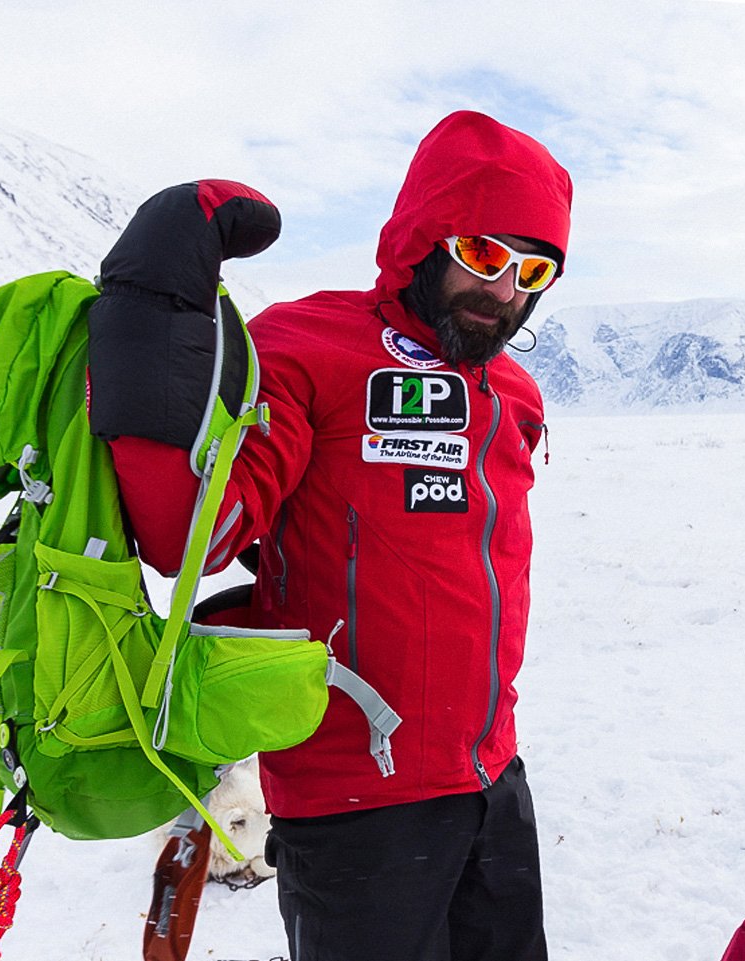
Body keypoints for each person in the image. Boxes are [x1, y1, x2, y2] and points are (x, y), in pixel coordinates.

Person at [109, 111, 573, 961]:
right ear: (427, 238)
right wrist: (149, 318)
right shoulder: (307, 346)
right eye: (484, 255)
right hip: (356, 805)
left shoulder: (512, 389)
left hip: (492, 783)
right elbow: (194, 534)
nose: (507, 290)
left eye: (532, 269)